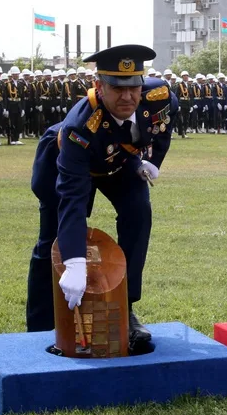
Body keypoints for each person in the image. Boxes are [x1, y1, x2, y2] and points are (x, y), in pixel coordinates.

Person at [26, 44, 178, 345]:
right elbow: (72, 198)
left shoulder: (160, 97)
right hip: (68, 164)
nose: (127, 97)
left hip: (121, 162)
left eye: (133, 87)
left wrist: (150, 161)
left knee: (139, 212)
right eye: (116, 88)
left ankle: (126, 307)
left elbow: (162, 129)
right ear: (98, 86)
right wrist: (74, 261)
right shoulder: (79, 127)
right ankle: (41, 328)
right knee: (53, 240)